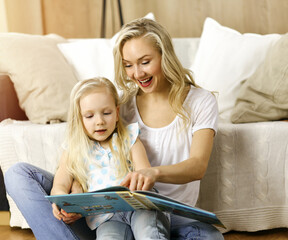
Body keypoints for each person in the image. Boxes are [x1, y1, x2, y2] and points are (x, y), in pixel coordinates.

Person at [112, 18, 224, 239]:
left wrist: (154, 173)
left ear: (165, 56)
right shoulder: (122, 108)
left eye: (145, 62)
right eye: (128, 65)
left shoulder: (201, 101)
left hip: (181, 216)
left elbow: (197, 166)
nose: (137, 73)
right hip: (139, 214)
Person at [50, 77, 169, 239]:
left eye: (107, 113)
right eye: (89, 116)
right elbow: (60, 183)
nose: (100, 121)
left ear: (117, 113)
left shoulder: (129, 137)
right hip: (105, 218)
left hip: (140, 209)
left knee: (149, 234)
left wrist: (139, 181)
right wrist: (60, 202)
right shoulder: (74, 149)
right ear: (79, 118)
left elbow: (145, 173)